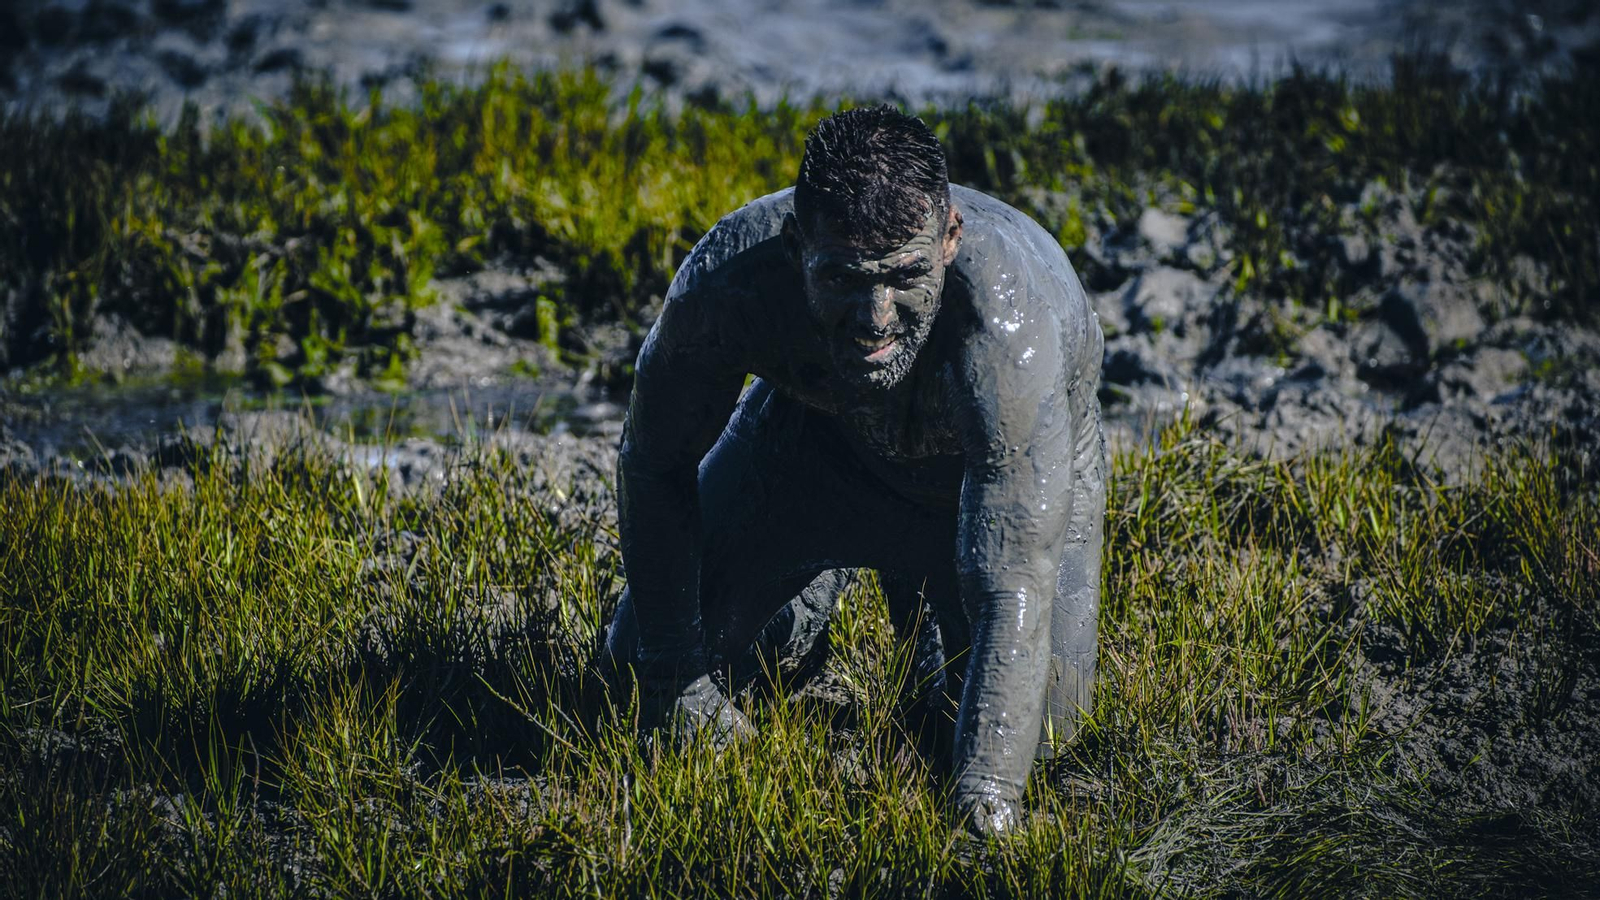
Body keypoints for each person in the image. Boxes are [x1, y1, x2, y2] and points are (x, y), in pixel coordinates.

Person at [604, 105, 1105, 835]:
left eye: (904, 276)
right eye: (843, 278)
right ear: (794, 246)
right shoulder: (727, 285)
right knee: (630, 664)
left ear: (950, 240)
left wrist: (986, 800)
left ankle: (929, 616)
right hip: (820, 448)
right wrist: (675, 678)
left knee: (1052, 735)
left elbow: (1015, 577)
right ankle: (809, 600)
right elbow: (653, 462)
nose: (876, 318)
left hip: (978, 487)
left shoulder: (1006, 331)